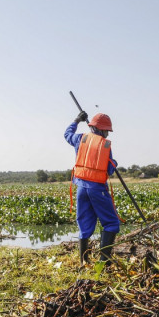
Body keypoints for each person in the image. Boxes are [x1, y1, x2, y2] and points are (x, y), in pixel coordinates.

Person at [65, 110, 120, 265]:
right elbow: (109, 169)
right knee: (111, 223)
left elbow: (67, 134)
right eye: (107, 131)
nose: (107, 135)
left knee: (85, 224)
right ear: (101, 129)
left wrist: (76, 120)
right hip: (98, 190)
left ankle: (84, 261)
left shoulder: (79, 138)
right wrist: (114, 163)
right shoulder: (105, 145)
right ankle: (104, 262)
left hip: (81, 188)